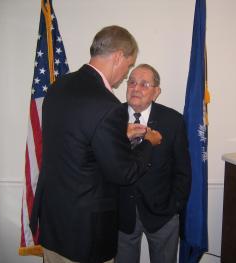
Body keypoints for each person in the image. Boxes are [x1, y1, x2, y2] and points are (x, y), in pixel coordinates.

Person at [30, 26, 162, 263]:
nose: (125, 75)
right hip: (86, 236)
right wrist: (148, 143)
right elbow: (124, 172)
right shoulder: (107, 105)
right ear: (118, 56)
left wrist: (118, 136)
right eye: (129, 66)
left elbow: (77, 144)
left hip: (53, 223)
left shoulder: (58, 86)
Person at [115, 64, 192, 263]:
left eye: (144, 84)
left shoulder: (173, 121)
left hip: (163, 214)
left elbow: (183, 169)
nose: (136, 88)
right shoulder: (111, 118)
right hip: (121, 213)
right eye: (131, 82)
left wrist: (175, 205)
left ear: (156, 92)